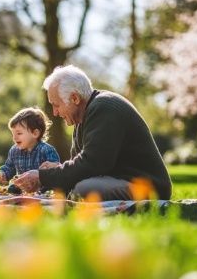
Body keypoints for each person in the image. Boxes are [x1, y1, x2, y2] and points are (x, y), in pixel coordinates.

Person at [13, 65, 172, 200]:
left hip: (147, 187)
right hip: (117, 179)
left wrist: (42, 176)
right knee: (76, 186)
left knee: (84, 189)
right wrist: (54, 171)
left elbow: (92, 164)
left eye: (57, 105)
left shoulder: (104, 108)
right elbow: (81, 166)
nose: (54, 113)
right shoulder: (82, 118)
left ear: (75, 98)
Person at [0, 107, 60, 186]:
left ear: (35, 133)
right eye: (13, 134)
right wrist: (3, 175)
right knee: (12, 188)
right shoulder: (14, 151)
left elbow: (56, 172)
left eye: (19, 133)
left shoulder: (46, 150)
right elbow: (9, 167)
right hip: (23, 190)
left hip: (43, 191)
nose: (14, 138)